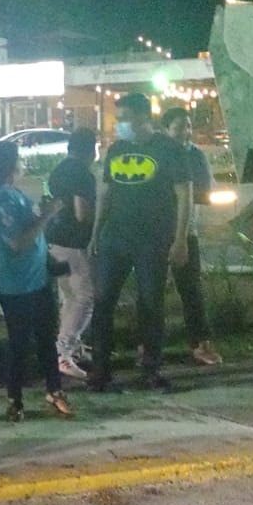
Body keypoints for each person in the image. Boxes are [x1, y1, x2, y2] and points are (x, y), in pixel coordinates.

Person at [87, 92, 192, 392]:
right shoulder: (117, 150)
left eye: (124, 119)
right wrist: (96, 232)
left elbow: (184, 195)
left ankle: (150, 368)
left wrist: (180, 239)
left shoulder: (168, 149)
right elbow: (104, 195)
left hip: (152, 240)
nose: (119, 125)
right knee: (103, 302)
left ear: (143, 118)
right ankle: (100, 369)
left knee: (150, 305)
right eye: (117, 119)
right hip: (114, 238)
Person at [0, 138, 73, 423]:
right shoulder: (1, 200)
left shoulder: (15, 195)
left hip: (37, 279)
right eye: (19, 159)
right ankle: (14, 400)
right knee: (19, 343)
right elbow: (17, 242)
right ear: (8, 166)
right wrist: (48, 216)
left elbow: (31, 231)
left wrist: (42, 216)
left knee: (46, 338)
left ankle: (54, 390)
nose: (24, 163)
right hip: (15, 284)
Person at [161, 107, 222, 367]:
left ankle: (200, 343)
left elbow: (206, 191)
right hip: (155, 232)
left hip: (187, 232)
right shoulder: (157, 153)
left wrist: (183, 194)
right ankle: (147, 345)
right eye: (178, 127)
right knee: (151, 291)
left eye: (187, 126)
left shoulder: (195, 156)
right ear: (165, 130)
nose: (185, 132)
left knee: (191, 290)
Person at [46, 127, 97, 380]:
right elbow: (82, 214)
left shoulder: (59, 170)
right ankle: (64, 352)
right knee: (85, 297)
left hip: (55, 240)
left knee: (68, 297)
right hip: (74, 243)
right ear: (92, 150)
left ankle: (69, 350)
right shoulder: (82, 174)